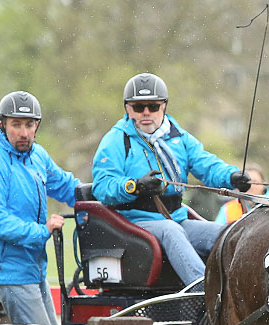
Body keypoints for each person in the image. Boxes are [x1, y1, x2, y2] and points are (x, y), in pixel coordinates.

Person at [92, 73, 251, 285]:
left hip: (177, 218)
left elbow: (207, 165)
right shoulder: (115, 140)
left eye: (153, 106)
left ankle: (242, 288)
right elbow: (102, 187)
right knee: (172, 231)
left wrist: (231, 176)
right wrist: (135, 186)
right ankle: (203, 293)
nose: (146, 113)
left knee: (231, 234)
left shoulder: (179, 137)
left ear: (164, 106)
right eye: (139, 107)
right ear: (127, 108)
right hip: (134, 224)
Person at [0, 90, 80, 325]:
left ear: (37, 125)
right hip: (9, 273)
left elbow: (66, 186)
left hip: (35, 269)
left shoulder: (37, 155)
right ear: (2, 124)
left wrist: (102, 198)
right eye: (16, 124)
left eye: (29, 125)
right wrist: (42, 232)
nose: (23, 133)